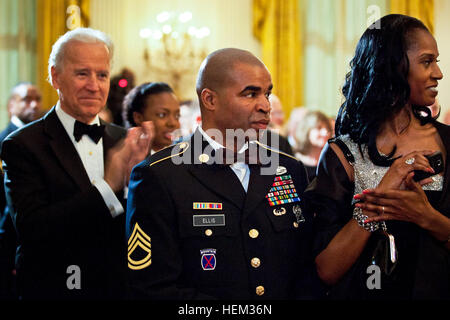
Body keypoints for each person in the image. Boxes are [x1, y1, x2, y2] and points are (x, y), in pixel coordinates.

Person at [126, 48, 322, 299]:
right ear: (209, 100)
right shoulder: (160, 175)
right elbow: (152, 289)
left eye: (267, 93)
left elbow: (304, 269)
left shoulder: (289, 168)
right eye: (250, 93)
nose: (265, 105)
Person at [304, 14, 450, 300]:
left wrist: (427, 217)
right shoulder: (342, 153)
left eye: (437, 61)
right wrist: (382, 193)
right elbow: (326, 270)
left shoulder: (448, 142)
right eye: (426, 61)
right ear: (394, 66)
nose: (438, 73)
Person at [1, 28, 152, 300]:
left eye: (102, 75)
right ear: (55, 76)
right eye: (82, 73)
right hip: (53, 291)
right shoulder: (22, 144)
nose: (94, 86)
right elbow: (33, 231)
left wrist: (138, 187)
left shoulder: (122, 139)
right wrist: (109, 186)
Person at [0, 82, 42, 299]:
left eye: (38, 99)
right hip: (9, 236)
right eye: (26, 99)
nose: (34, 105)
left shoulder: (42, 139)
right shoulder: (4, 140)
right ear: (11, 105)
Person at [123, 82, 180, 153]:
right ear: (138, 118)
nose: (173, 123)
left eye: (177, 116)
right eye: (162, 115)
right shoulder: (127, 160)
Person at [293, 110, 332, 181]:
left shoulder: (332, 159)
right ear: (307, 130)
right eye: (319, 128)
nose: (325, 132)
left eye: (327, 128)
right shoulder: (294, 161)